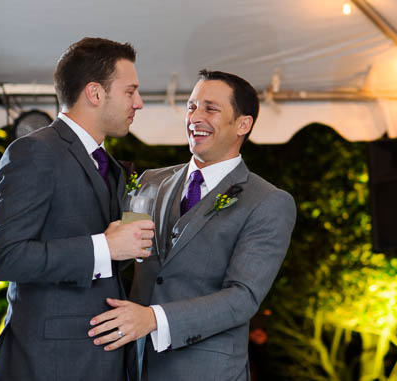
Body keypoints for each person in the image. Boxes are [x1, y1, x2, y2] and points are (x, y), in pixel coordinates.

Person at [88, 70, 297, 380]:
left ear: (243, 124)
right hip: (134, 366)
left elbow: (242, 298)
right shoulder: (149, 182)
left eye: (210, 109)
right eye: (190, 107)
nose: (194, 117)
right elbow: (127, 258)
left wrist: (153, 319)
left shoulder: (268, 202)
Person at [0, 38, 153, 380]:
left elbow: (104, 258)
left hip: (104, 359)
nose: (139, 103)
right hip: (51, 362)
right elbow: (5, 257)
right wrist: (104, 246)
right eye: (130, 91)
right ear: (94, 93)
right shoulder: (34, 152)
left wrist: (128, 245)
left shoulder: (111, 166)